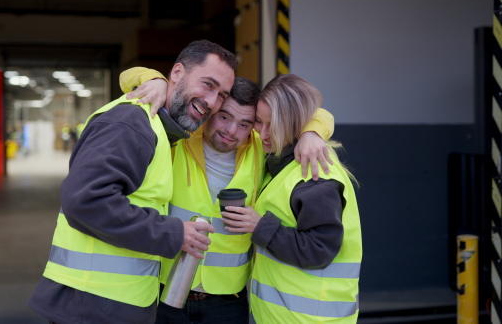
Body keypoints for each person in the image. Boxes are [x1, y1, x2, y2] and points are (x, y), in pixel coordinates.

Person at [28, 39, 238, 324]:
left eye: (222, 95)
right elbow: (86, 200)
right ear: (177, 73)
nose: (212, 103)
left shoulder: (161, 131)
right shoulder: (131, 122)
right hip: (91, 305)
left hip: (111, 305)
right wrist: (175, 234)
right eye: (208, 85)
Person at [122, 69, 336, 323]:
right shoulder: (179, 138)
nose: (231, 131)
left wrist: (311, 132)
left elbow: (319, 112)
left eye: (245, 123)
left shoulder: (260, 146)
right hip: (165, 293)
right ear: (212, 110)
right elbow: (128, 76)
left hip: (227, 303)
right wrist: (157, 82)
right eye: (224, 117)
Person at [222, 74, 362, 323]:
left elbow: (319, 250)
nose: (262, 133)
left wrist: (259, 226)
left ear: (295, 124)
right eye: (258, 122)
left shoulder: (315, 175)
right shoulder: (280, 161)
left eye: (271, 125)